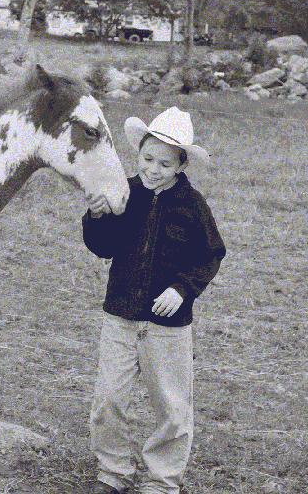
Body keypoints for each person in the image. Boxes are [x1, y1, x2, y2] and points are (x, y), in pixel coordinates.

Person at [82, 107, 226, 494]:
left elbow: (210, 254)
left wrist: (182, 289)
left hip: (168, 326)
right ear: (138, 154)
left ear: (181, 166)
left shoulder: (192, 205)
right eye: (147, 159)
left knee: (172, 405)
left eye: (165, 164)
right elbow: (103, 246)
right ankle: (113, 471)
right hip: (121, 316)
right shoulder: (124, 192)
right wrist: (97, 217)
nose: (153, 169)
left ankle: (162, 480)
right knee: (109, 398)